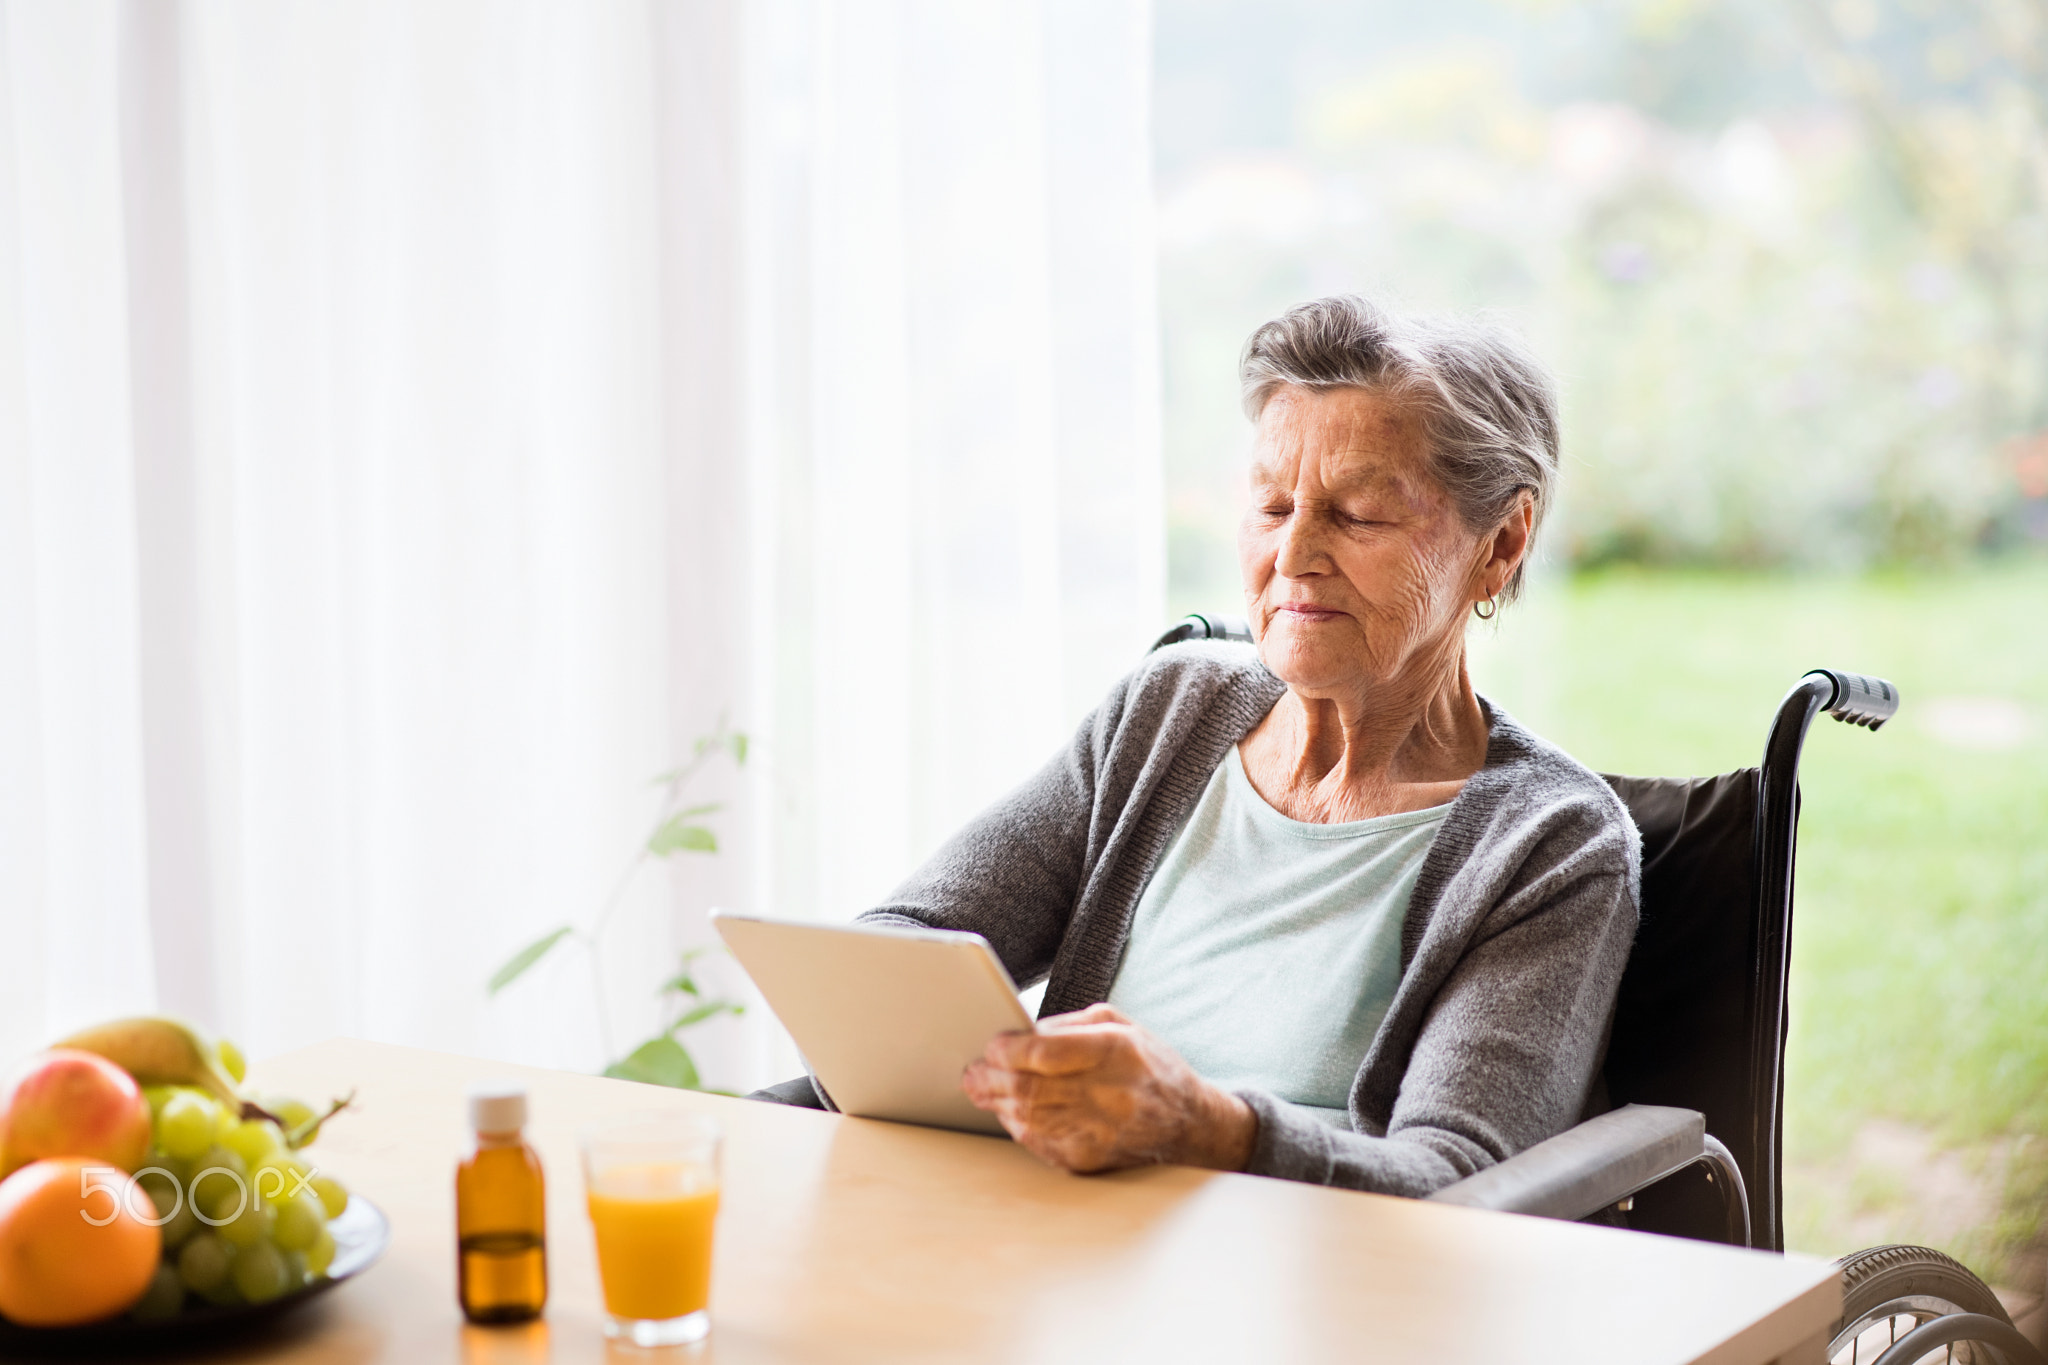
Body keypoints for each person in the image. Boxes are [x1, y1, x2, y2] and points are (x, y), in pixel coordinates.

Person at [755, 295, 1639, 1197]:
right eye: (1271, 503)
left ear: (1502, 542)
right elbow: (902, 950)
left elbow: (1457, 1185)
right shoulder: (1168, 713)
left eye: (1359, 514)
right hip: (1044, 1246)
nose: (1293, 553)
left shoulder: (1552, 847)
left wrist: (1202, 1126)